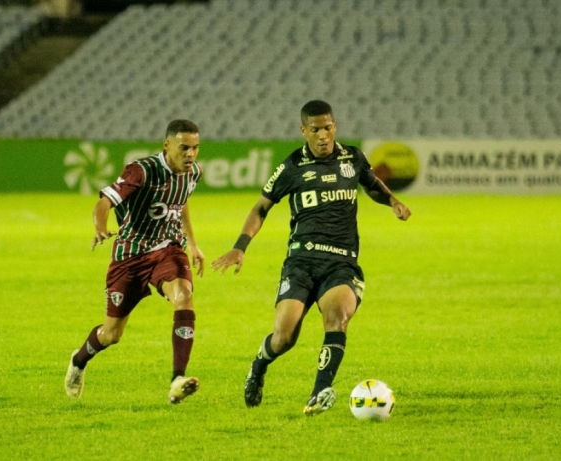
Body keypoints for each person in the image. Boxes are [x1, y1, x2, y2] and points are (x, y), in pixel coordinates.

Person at [211, 100, 411, 416]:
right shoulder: (292, 167)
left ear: (335, 127)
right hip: (301, 262)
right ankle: (259, 366)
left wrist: (393, 202)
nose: (322, 135)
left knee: (337, 316)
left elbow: (372, 185)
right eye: (315, 129)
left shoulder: (352, 158)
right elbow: (261, 208)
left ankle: (318, 394)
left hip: (341, 262)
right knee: (284, 336)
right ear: (303, 130)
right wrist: (240, 246)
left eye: (327, 127)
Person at [65, 119, 205, 404]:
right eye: (184, 148)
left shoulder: (193, 173)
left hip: (168, 249)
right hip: (130, 255)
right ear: (167, 146)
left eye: (195, 148)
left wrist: (191, 243)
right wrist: (100, 227)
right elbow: (104, 202)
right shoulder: (141, 171)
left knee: (184, 295)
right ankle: (79, 361)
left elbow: (182, 201)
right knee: (111, 334)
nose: (190, 154)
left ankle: (177, 378)